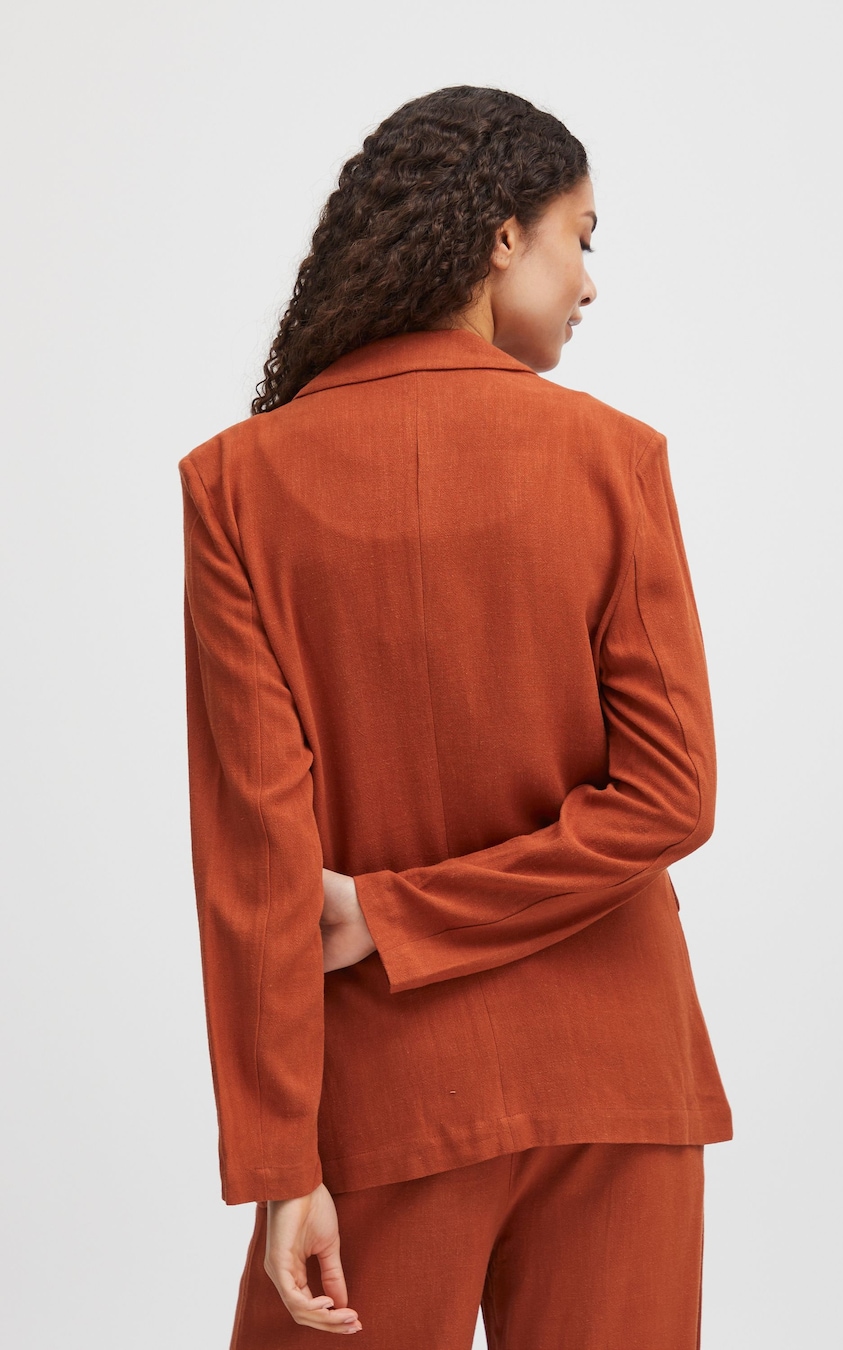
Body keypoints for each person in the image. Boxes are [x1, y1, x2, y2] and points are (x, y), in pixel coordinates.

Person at [179, 85, 733, 1349]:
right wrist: (396, 916)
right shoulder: (613, 458)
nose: (589, 282)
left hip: (383, 1103)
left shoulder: (238, 486)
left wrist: (282, 1160)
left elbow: (256, 863)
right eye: (580, 236)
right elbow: (671, 800)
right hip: (617, 1078)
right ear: (502, 235)